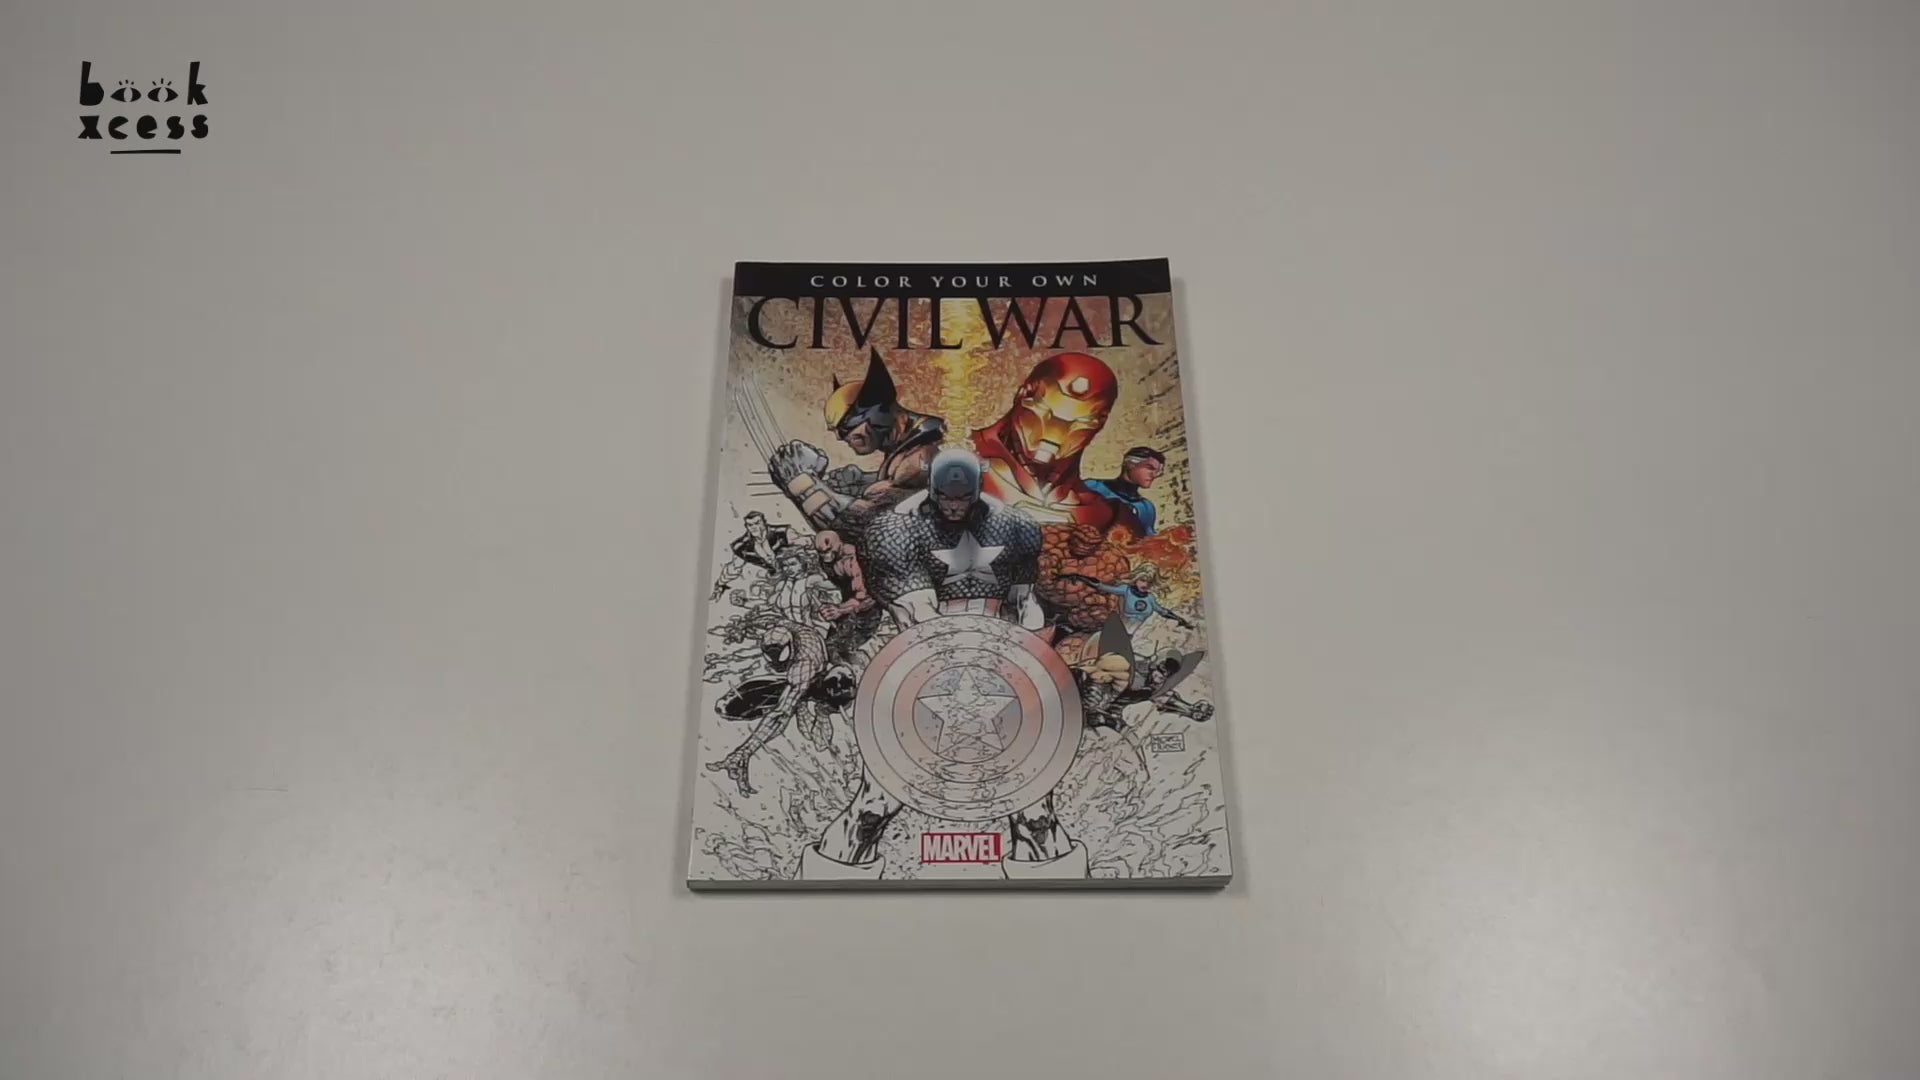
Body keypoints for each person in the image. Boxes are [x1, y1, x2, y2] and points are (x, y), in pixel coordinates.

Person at [766, 348, 945, 547]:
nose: (841, 438)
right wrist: (861, 480)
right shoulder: (911, 450)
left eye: (845, 428)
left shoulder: (922, 457)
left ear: (874, 415)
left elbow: (871, 528)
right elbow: (900, 489)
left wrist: (801, 483)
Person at [1084, 446, 1167, 536]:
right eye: (1149, 468)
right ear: (1130, 464)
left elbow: (1147, 538)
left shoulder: (1146, 507)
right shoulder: (1093, 486)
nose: (1154, 475)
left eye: (1157, 472)